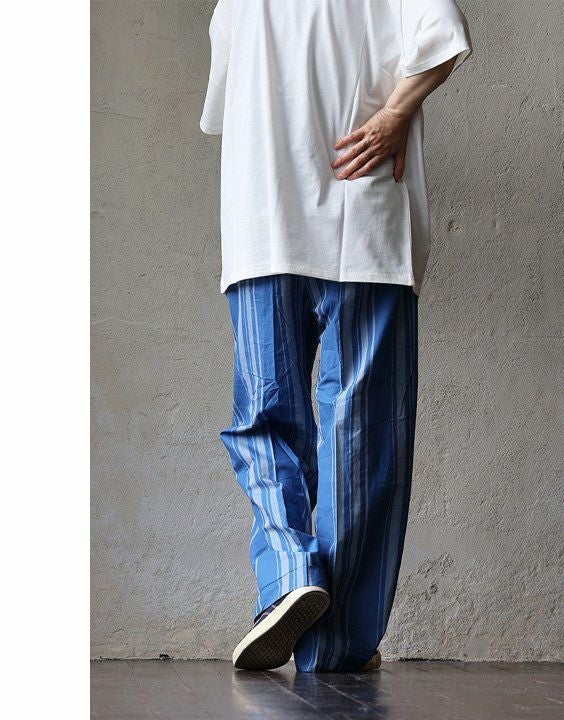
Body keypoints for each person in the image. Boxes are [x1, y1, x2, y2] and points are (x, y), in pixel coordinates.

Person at [200, 0, 472, 673]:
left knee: (265, 421)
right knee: (365, 433)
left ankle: (290, 574)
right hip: (366, 216)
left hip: (264, 224)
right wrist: (393, 113)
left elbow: (228, 107)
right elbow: (442, 34)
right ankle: (337, 646)